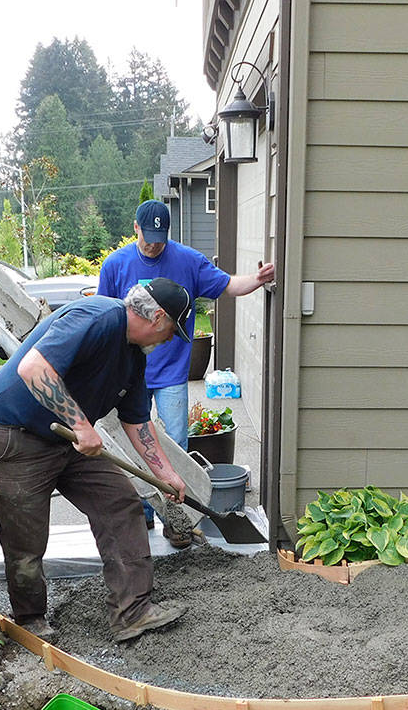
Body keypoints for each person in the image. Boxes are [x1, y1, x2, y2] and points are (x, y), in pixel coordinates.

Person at [0, 277, 193, 642]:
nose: (171, 339)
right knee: (25, 537)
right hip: (14, 437)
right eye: (173, 329)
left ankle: (132, 612)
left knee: (121, 503)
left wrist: (166, 474)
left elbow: (137, 421)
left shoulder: (134, 357)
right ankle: (29, 621)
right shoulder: (98, 318)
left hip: (66, 442)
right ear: (157, 317)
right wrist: (80, 423)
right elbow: (34, 369)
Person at [97, 199, 275, 547]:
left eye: (160, 238)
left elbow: (226, 286)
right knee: (129, 444)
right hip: (129, 373)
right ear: (135, 228)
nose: (153, 244)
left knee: (173, 447)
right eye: (148, 237)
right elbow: (105, 314)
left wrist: (256, 279)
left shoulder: (188, 260)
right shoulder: (116, 265)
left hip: (171, 374)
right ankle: (142, 515)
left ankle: (174, 522)